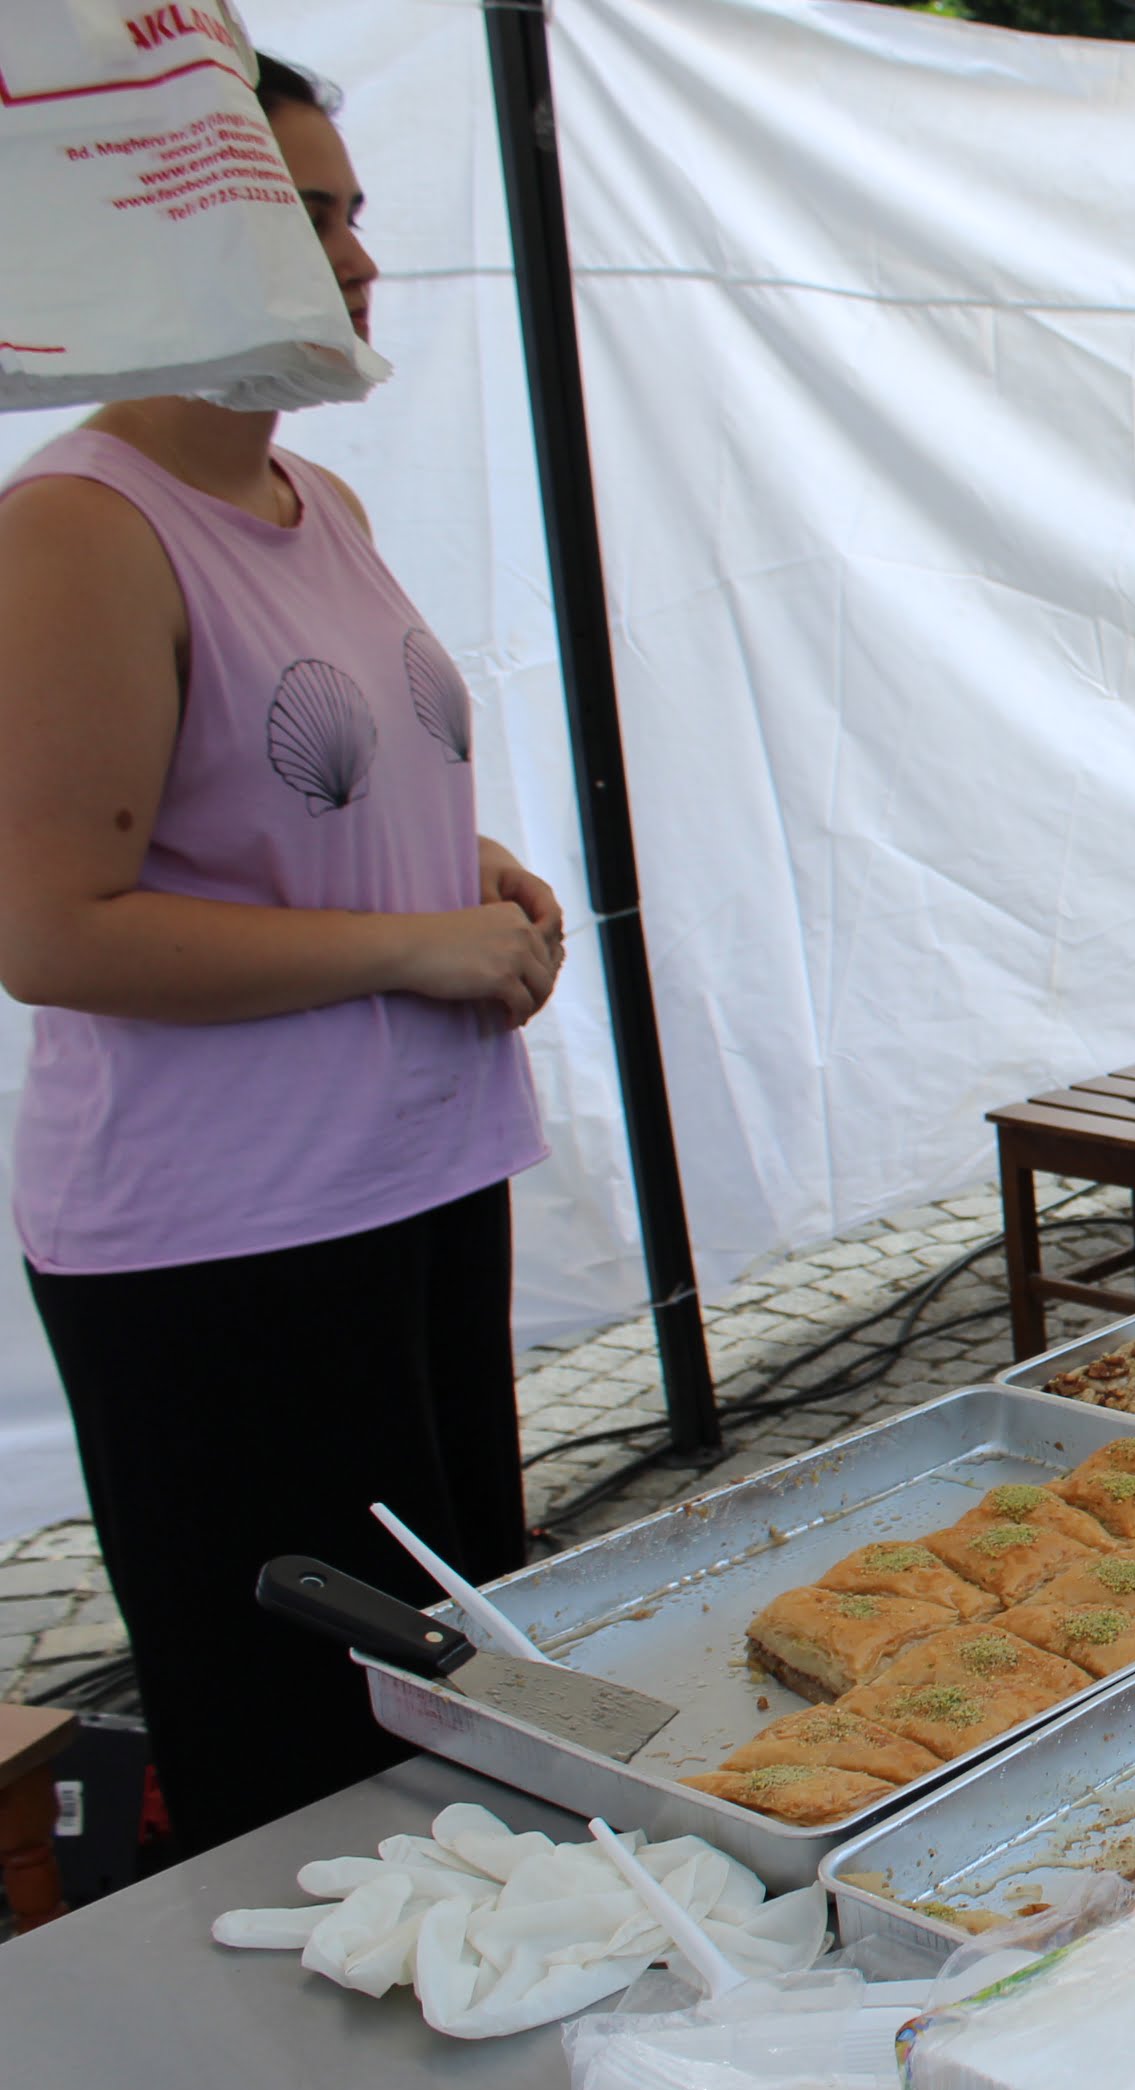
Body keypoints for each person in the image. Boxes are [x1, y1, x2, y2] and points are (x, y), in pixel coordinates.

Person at [0, 56, 559, 1855]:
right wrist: (417, 946)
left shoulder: (324, 505)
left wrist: (474, 877)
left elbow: (299, 813)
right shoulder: (78, 530)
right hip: (229, 1234)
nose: (358, 260)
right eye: (303, 219)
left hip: (412, 1176)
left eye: (352, 214)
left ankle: (506, 1968)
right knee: (313, 1746)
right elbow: (52, 928)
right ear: (163, 237)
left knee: (461, 1664)